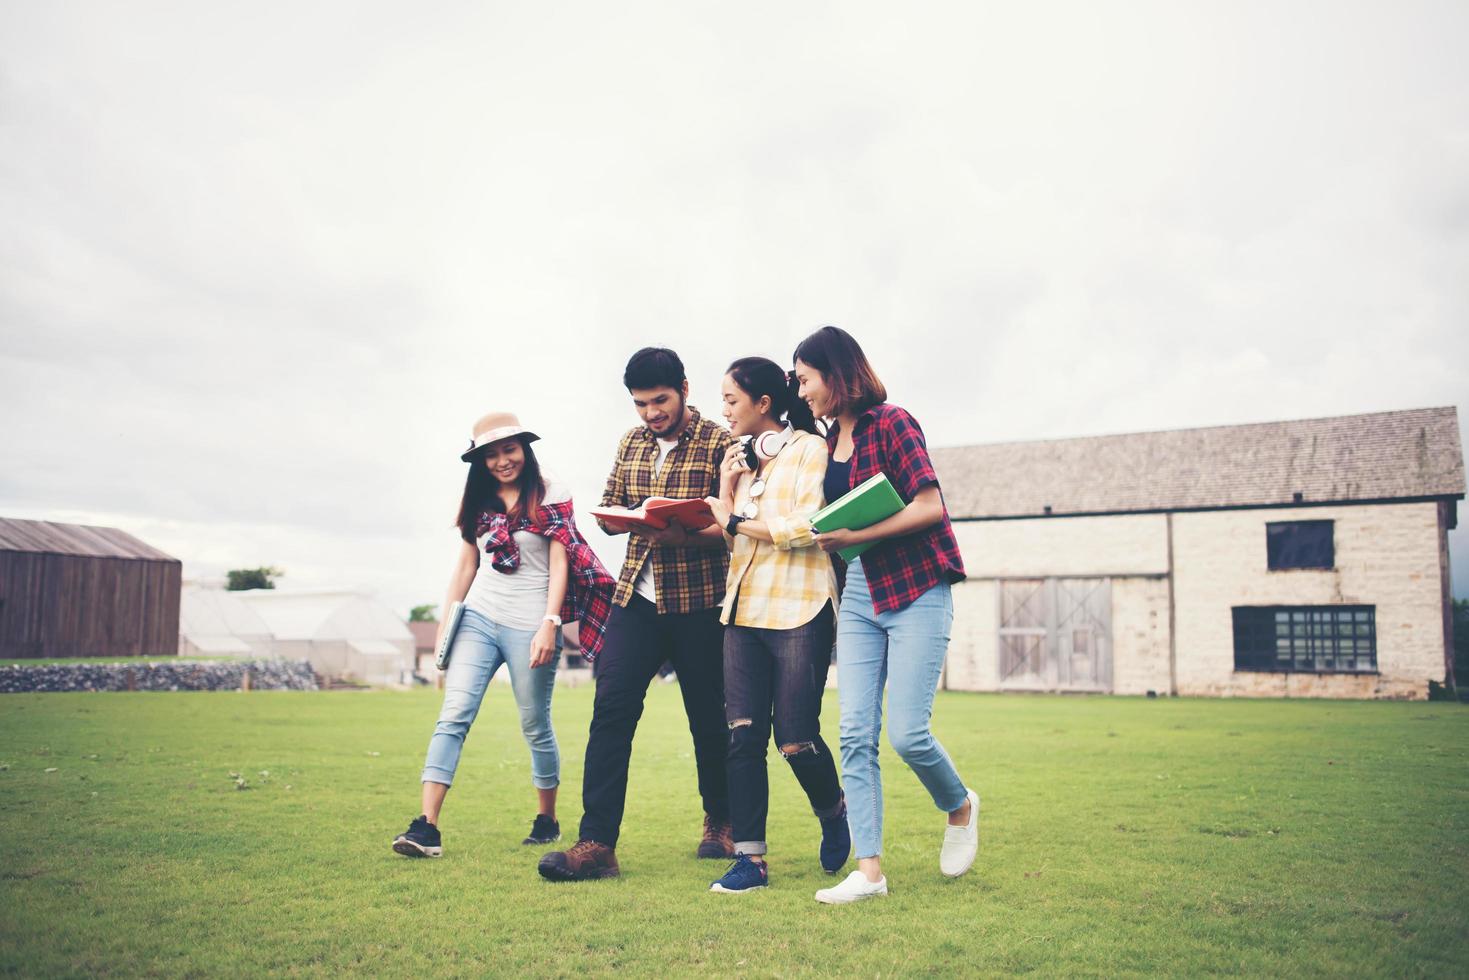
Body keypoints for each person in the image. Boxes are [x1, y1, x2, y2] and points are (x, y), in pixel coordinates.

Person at [792, 326, 978, 904]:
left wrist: (855, 531)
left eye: (805, 380)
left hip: (919, 588)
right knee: (853, 733)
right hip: (861, 595)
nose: (802, 393)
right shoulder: (823, 442)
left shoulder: (893, 422)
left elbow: (930, 505)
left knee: (907, 733)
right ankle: (869, 872)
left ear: (836, 372)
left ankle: (961, 805)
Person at [538, 348, 736, 881]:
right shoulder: (630, 442)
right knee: (611, 715)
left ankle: (720, 821)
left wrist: (684, 533)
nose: (650, 413)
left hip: (701, 604)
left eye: (660, 400)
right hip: (637, 600)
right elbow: (608, 507)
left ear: (684, 389)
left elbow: (735, 525)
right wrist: (624, 519)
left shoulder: (722, 443)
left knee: (708, 723)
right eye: (641, 404)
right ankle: (597, 843)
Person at [393, 412, 613, 858]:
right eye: (490, 455)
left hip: (531, 622)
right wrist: (445, 625)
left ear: (524, 449)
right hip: (479, 616)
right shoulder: (479, 498)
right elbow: (467, 565)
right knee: (454, 713)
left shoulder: (552, 493)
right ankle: (426, 828)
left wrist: (550, 624)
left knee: (534, 725)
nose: (502, 461)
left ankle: (547, 819)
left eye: (509, 449)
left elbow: (559, 563)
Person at [702, 356, 849, 894]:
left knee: (795, 739)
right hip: (741, 611)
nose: (724, 410)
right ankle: (750, 860)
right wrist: (727, 483)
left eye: (731, 400)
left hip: (799, 608)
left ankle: (834, 811)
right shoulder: (738, 458)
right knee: (742, 737)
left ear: (764, 403)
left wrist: (737, 519)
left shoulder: (810, 448)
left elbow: (809, 525)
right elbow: (734, 539)